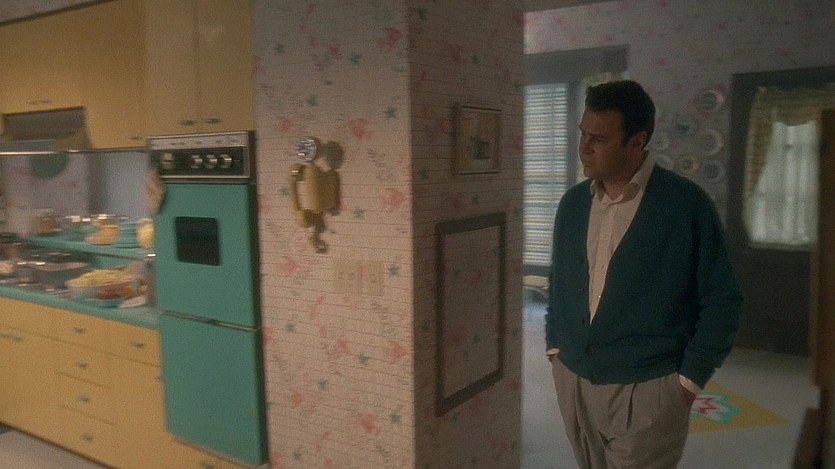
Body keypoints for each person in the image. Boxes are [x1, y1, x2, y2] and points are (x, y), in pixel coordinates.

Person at [545, 80, 743, 468]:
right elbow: (560, 282)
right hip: (574, 379)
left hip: (649, 386)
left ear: (637, 142)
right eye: (583, 134)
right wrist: (555, 347)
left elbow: (723, 300)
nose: (584, 148)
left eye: (598, 139)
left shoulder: (685, 205)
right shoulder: (572, 204)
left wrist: (687, 382)